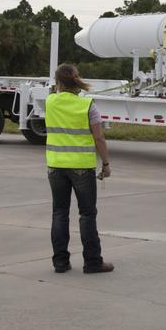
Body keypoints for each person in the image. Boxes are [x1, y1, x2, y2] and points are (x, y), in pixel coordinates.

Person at [45, 63, 114, 274]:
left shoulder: (50, 102)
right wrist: (106, 163)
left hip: (55, 165)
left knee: (59, 213)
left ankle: (60, 262)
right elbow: (99, 137)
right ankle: (92, 262)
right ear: (76, 81)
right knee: (87, 214)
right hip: (82, 167)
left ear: (58, 82)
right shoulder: (87, 105)